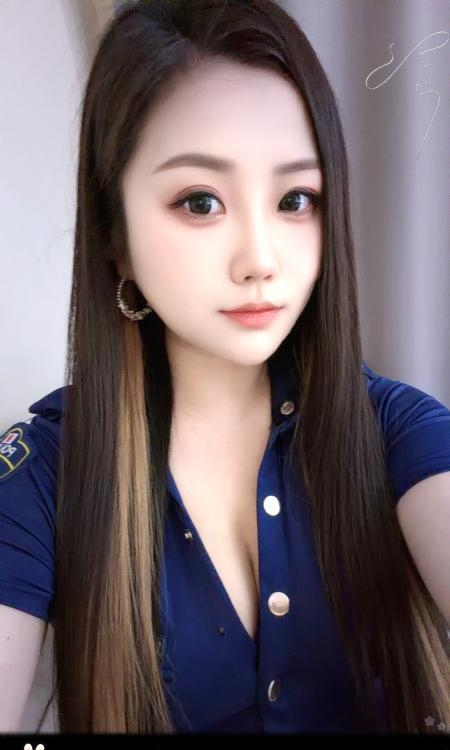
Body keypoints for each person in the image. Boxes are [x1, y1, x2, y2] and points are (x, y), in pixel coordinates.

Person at [0, 0, 449, 736]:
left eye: (296, 199)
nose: (261, 260)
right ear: (116, 234)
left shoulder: (396, 431)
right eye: (201, 202)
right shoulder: (48, 474)